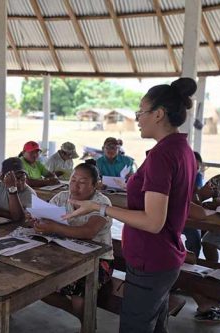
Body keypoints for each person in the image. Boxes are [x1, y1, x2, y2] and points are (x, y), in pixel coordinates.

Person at [63, 78, 198, 332]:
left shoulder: (162, 155)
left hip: (152, 258)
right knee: (156, 325)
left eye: (141, 112)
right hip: (164, 257)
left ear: (158, 114)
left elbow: (152, 221)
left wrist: (99, 208)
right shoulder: (182, 149)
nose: (137, 119)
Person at [31, 160, 113, 326]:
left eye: (82, 183)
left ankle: (87, 324)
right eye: (73, 180)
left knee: (79, 296)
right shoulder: (62, 197)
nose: (75, 186)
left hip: (98, 260)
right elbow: (45, 218)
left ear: (95, 185)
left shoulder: (101, 203)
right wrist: (36, 220)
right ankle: (81, 316)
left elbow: (88, 232)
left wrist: (54, 226)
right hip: (64, 255)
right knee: (33, 284)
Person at [0, 157, 36, 222]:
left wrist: (12, 189)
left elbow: (18, 218)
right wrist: (8, 214)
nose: (19, 182)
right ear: (2, 178)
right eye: (13, 179)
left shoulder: (30, 193)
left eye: (22, 178)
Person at [182, 151, 205, 258]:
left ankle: (194, 262)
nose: (194, 170)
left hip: (188, 213)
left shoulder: (197, 177)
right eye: (191, 166)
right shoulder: (175, 174)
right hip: (172, 215)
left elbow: (197, 195)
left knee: (195, 237)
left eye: (197, 168)